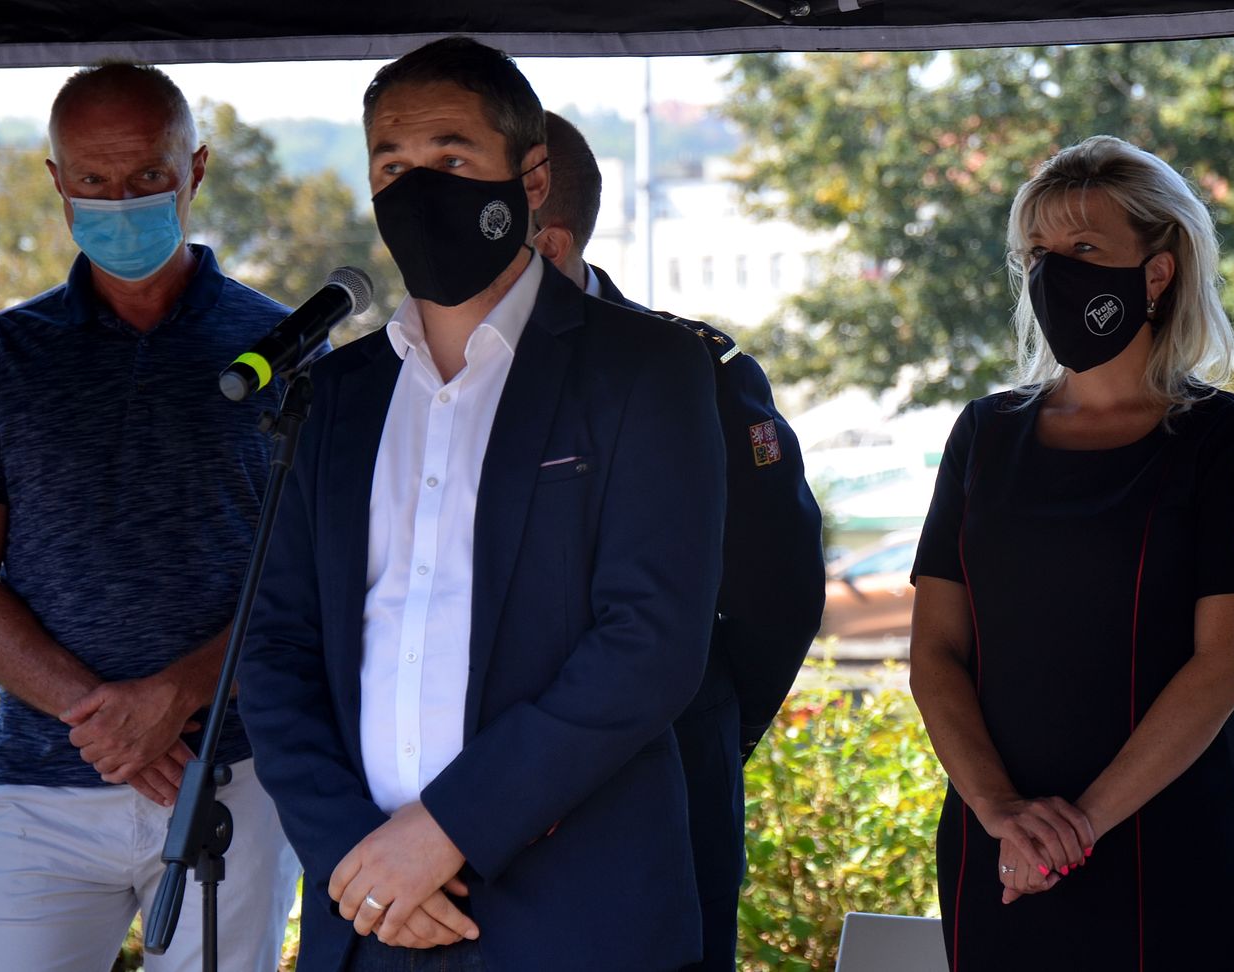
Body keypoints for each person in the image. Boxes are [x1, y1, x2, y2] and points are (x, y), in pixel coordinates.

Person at [235, 37, 726, 972]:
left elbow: (651, 642)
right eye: (392, 166)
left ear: (531, 179)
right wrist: (353, 853)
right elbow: (275, 648)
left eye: (452, 160)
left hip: (575, 918)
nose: (419, 189)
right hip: (369, 915)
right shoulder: (332, 397)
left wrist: (446, 831)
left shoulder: (645, 370)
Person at [0, 63, 300, 971]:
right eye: (92, 179)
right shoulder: (3, 355)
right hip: (40, 792)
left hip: (234, 781)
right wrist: (103, 720)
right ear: (56, 180)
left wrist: (176, 698)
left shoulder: (286, 348)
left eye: (146, 176)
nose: (118, 202)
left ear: (195, 169)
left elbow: (315, 580)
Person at [908, 134, 1234, 970]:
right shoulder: (983, 435)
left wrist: (1077, 827)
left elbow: (1224, 667)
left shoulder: (1224, 437)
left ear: (1157, 272)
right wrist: (1002, 812)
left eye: (1084, 248)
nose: (1055, 272)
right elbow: (935, 651)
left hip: (1170, 853)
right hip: (1002, 852)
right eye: (1037, 253)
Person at [533, 109, 826, 971]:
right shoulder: (416, 387)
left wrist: (717, 723)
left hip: (662, 769)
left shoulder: (692, 372)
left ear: (551, 243)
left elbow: (778, 589)